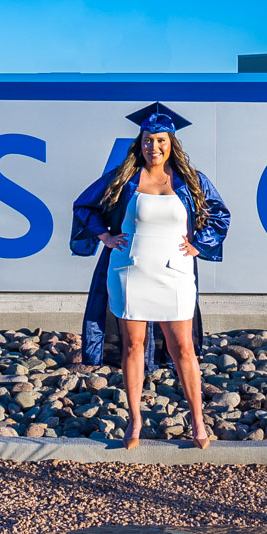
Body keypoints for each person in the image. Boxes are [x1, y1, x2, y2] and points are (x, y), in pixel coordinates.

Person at [69, 104, 230, 448]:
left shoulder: (190, 181)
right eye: (147, 140)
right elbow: (84, 206)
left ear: (171, 143)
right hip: (131, 270)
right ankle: (135, 421)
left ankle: (198, 422)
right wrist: (105, 237)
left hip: (175, 274)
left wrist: (200, 244)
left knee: (183, 348)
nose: (152, 147)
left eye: (159, 140)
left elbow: (220, 215)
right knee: (133, 346)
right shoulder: (124, 179)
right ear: (139, 142)